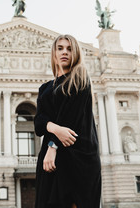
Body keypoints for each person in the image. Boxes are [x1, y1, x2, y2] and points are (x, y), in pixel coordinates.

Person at [34, 34, 101, 208]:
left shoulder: (80, 79)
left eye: (69, 49)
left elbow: (71, 117)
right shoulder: (45, 88)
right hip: (50, 156)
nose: (65, 52)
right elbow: (39, 123)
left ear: (76, 53)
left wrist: (52, 146)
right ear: (54, 53)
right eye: (60, 48)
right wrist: (55, 129)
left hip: (77, 154)